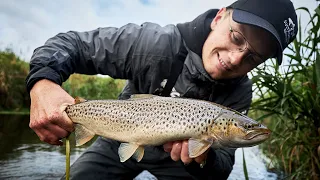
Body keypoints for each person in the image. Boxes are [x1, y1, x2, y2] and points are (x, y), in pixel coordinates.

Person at [25, 0, 298, 179]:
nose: (237, 58)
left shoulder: (241, 92)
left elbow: (222, 168)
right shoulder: (156, 44)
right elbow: (73, 44)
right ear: (218, 18)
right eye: (236, 37)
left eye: (254, 57)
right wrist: (43, 83)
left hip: (178, 162)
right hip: (118, 134)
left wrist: (204, 157)